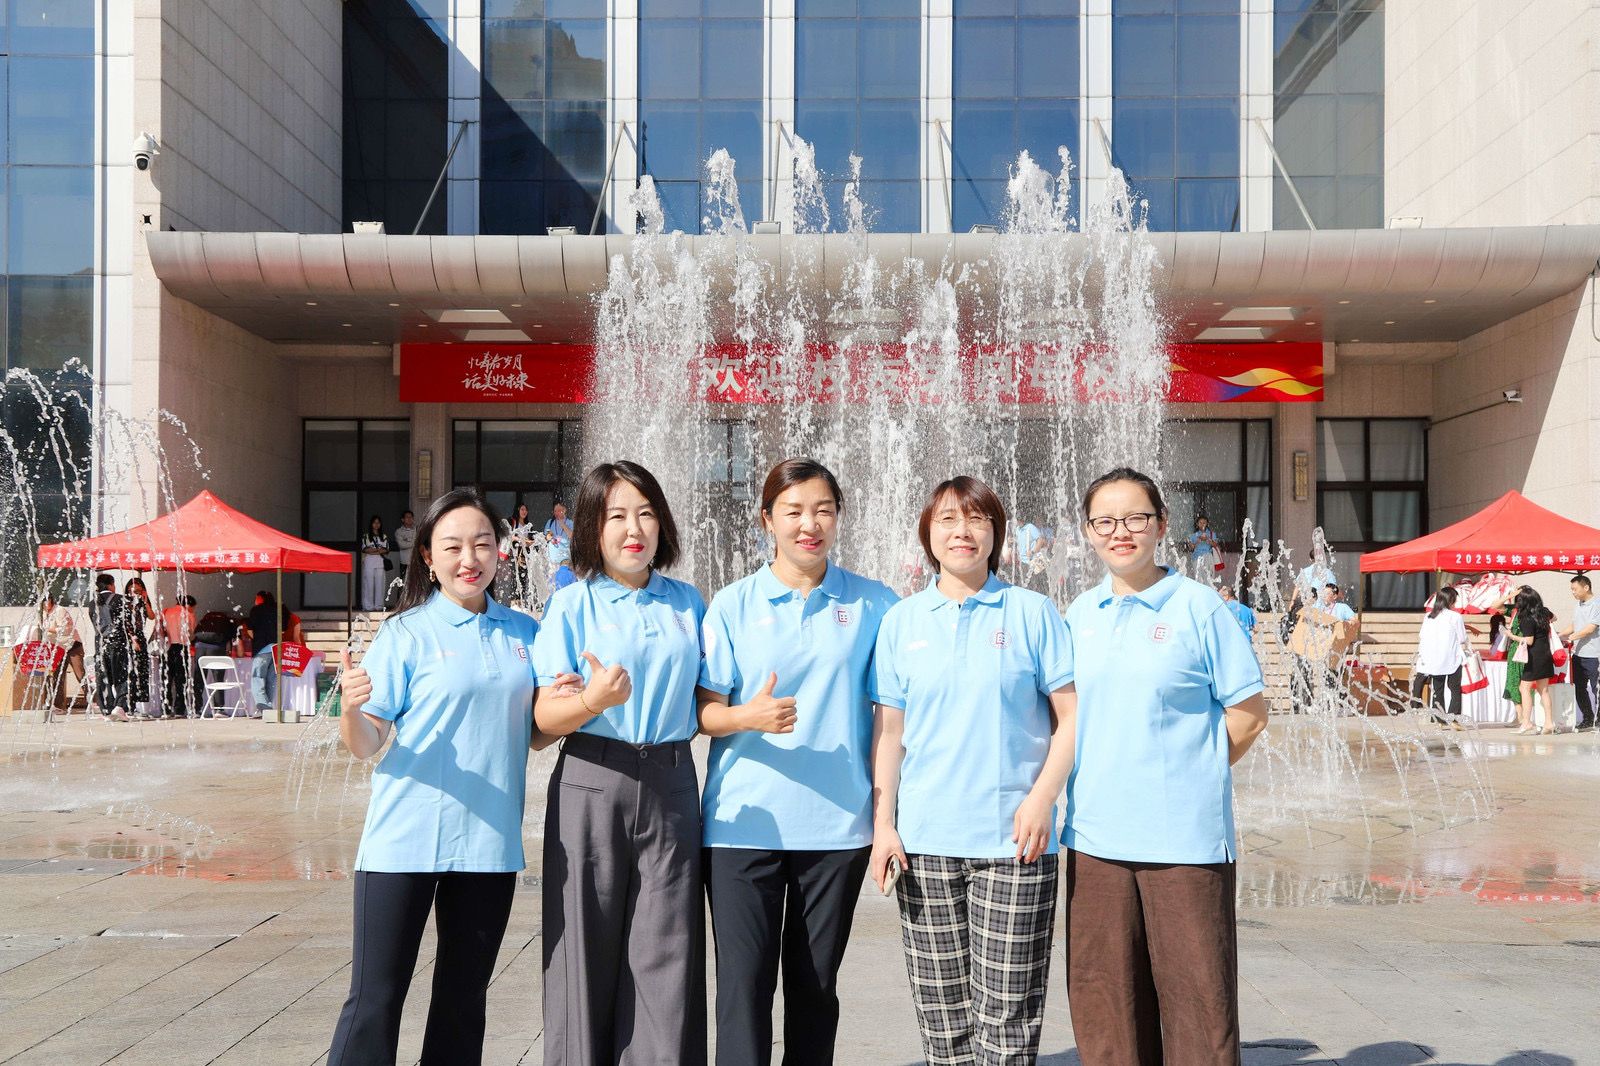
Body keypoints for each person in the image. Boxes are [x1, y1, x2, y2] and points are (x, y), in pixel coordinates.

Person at [329, 487, 565, 1066]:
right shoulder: (405, 633)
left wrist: (580, 702)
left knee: (463, 1003)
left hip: (488, 845)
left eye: (482, 544)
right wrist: (351, 710)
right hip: (402, 843)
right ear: (428, 557)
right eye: (453, 546)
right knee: (375, 1002)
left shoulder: (525, 633)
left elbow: (534, 732)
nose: (469, 559)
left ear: (500, 551)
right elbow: (366, 744)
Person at [1061, 467, 1268, 1065]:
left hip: (1183, 842)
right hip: (1095, 837)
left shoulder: (1198, 607)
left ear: (1161, 525)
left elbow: (1249, 715)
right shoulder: (1079, 613)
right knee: (1105, 1002)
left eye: (1135, 518)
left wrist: (1191, 771)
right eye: (1105, 521)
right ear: (1089, 532)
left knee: (1197, 1003)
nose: (1120, 532)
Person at [696, 458, 897, 1066]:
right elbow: (704, 712)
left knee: (815, 989)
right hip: (742, 825)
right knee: (742, 990)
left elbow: (893, 718)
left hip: (837, 827)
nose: (810, 524)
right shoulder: (733, 604)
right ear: (767, 519)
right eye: (794, 511)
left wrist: (886, 818)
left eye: (823, 510)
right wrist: (746, 716)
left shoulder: (875, 603)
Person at [870, 476, 1076, 1064]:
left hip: (1014, 843)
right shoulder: (902, 621)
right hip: (925, 845)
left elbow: (1072, 718)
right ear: (927, 534)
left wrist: (1042, 799)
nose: (962, 532)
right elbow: (889, 735)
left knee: (1007, 1022)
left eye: (976, 519)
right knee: (942, 1023)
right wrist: (883, 826)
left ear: (996, 533)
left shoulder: (1032, 612)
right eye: (947, 520)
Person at [531, 461, 708, 1065]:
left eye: (646, 514)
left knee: (669, 952)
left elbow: (707, 699)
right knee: (582, 949)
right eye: (617, 516)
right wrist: (592, 701)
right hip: (593, 779)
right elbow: (542, 721)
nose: (634, 529)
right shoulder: (571, 605)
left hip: (671, 782)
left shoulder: (687, 602)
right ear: (592, 527)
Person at [1415, 586, 1470, 728]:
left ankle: (1439, 719)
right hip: (1452, 658)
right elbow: (1462, 638)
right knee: (1455, 689)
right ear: (1450, 600)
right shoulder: (1455, 616)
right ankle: (1454, 718)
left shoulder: (1429, 616)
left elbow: (1422, 635)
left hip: (1434, 659)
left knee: (1438, 689)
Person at [1510, 587, 1559, 734]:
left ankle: (1526, 722)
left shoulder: (1526, 618)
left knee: (1524, 688)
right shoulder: (1544, 612)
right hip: (1546, 655)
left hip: (1533, 657)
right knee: (1543, 690)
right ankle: (1549, 723)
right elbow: (1554, 618)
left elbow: (1529, 640)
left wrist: (1511, 636)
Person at [1559, 574, 1598, 731]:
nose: (1573, 592)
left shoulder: (1597, 605)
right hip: (1579, 654)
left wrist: (1571, 637)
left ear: (1586, 587)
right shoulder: (1579, 605)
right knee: (1578, 687)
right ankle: (1588, 718)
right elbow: (1575, 625)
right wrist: (1558, 635)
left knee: (1596, 689)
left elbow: (1590, 628)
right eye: (1572, 589)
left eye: (1575, 589)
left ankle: (1598, 720)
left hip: (1595, 655)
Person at [248, 591, 289, 716]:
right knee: (272, 679)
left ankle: (264, 707)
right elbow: (283, 630)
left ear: (260, 599)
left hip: (262, 648)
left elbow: (250, 631)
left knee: (258, 678)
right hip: (277, 647)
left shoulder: (256, 610)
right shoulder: (281, 609)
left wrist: (257, 640)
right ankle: (268, 708)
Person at [161, 594, 202, 718]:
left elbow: (161, 631)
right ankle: (179, 709)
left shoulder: (166, 611)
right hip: (182, 648)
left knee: (167, 680)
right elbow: (192, 634)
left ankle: (166, 709)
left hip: (168, 648)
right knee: (181, 681)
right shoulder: (188, 614)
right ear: (189, 605)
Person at [89, 573, 124, 717]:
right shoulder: (119, 599)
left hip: (100, 643)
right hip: (117, 642)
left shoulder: (92, 602)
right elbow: (126, 622)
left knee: (103, 676)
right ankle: (120, 706)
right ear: (111, 584)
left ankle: (106, 709)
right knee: (120, 674)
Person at [121, 577, 156, 719]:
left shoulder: (143, 602)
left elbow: (152, 616)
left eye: (139, 590)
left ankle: (142, 706)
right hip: (129, 638)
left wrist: (146, 601)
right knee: (131, 671)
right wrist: (132, 638)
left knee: (142, 671)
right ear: (128, 589)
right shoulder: (125, 602)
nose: (136, 593)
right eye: (133, 590)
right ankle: (130, 705)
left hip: (141, 637)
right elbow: (125, 622)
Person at [38, 592, 86, 686]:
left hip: (72, 646)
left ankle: (91, 695)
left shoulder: (59, 610)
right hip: (57, 649)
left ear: (51, 600)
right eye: (44, 602)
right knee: (57, 679)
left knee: (80, 675)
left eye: (48, 600)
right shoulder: (42, 613)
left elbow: (65, 629)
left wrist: (48, 629)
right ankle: (58, 696)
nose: (46, 604)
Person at [360, 515, 391, 612]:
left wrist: (373, 550)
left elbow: (386, 550)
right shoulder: (366, 536)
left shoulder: (384, 536)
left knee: (380, 584)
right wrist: (378, 550)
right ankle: (368, 606)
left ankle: (379, 606)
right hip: (369, 561)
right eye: (374, 522)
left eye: (378, 523)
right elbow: (365, 549)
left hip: (380, 561)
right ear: (371, 524)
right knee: (368, 583)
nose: (376, 524)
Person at [1187, 513, 1221, 581]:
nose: (1202, 524)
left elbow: (1216, 545)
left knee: (1209, 579)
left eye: (1204, 523)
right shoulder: (1193, 535)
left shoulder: (1212, 534)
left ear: (1207, 524)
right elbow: (1191, 548)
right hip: (1197, 558)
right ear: (1197, 524)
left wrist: (1207, 539)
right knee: (1198, 579)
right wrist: (1198, 541)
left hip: (1208, 558)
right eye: (1200, 523)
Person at [393, 510, 416, 581]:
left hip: (416, 562)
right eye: (407, 517)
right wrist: (415, 542)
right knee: (404, 583)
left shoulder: (417, 530)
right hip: (405, 562)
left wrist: (408, 541)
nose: (409, 519)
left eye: (411, 517)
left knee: (416, 583)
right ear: (402, 519)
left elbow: (421, 543)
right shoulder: (399, 531)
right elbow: (402, 545)